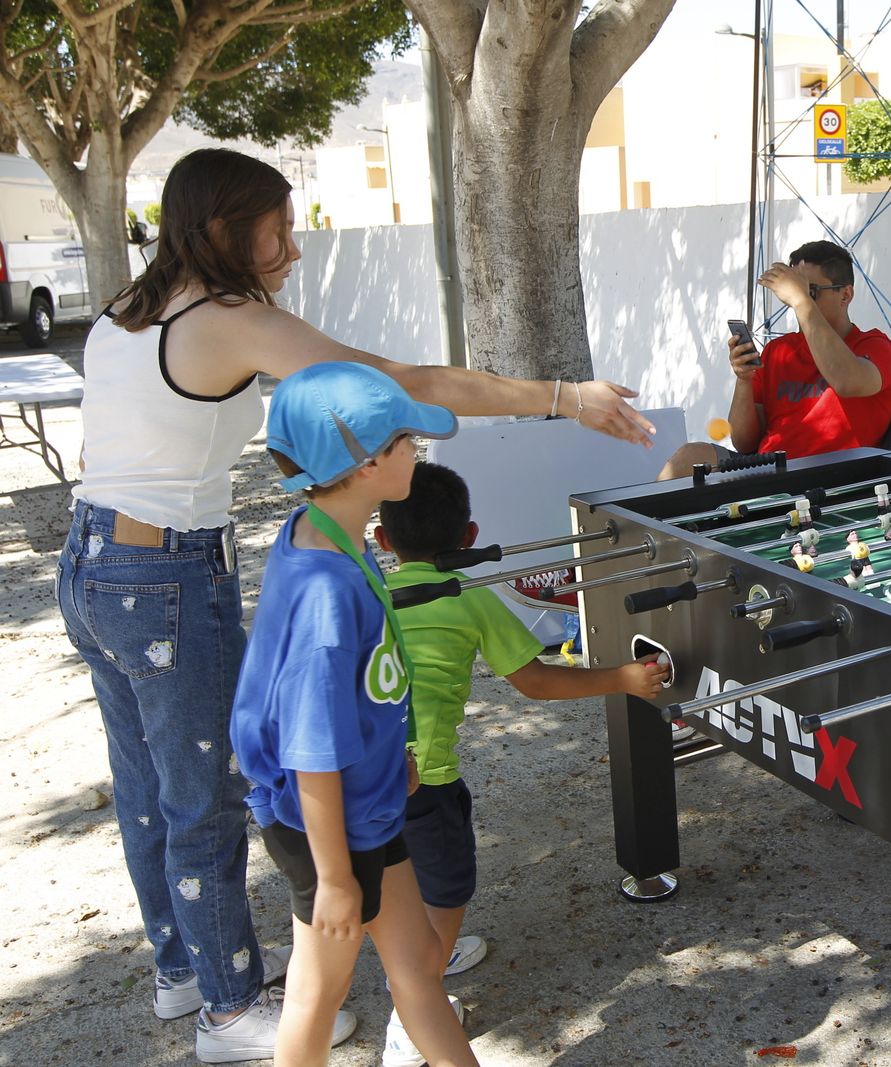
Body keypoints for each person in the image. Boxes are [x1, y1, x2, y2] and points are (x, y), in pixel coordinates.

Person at [54, 147, 653, 1061]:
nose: (291, 249)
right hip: (165, 572)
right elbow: (400, 381)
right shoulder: (227, 321)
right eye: (278, 228)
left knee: (147, 786)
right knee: (202, 797)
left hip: (91, 559)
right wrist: (563, 396)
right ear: (224, 228)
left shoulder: (124, 312)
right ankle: (224, 1006)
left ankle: (182, 967)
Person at [371, 460, 668, 1066]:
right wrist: (625, 679)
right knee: (448, 888)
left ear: (382, 540)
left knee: (390, 876)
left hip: (360, 772)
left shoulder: (367, 590)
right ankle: (414, 1006)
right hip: (423, 779)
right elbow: (535, 683)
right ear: (470, 535)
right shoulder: (470, 598)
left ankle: (415, 962)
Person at [230, 361, 476, 1067]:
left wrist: (385, 747)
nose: (416, 453)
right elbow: (311, 746)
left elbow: (353, 692)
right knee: (318, 993)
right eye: (406, 441)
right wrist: (336, 878)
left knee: (419, 961)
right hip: (325, 829)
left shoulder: (327, 525)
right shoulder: (326, 596)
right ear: (368, 464)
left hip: (362, 807)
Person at [657, 239, 891, 479]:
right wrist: (744, 379)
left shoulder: (876, 346)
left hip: (829, 479)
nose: (795, 302)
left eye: (809, 291)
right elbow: (743, 442)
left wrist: (801, 301)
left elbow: (846, 381)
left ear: (845, 295)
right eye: (793, 291)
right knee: (686, 459)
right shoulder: (779, 350)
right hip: (768, 472)